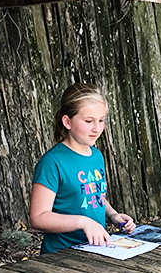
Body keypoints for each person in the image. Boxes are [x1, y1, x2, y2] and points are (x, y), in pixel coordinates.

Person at [30, 83, 135, 253]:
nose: (97, 128)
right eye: (89, 121)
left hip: (96, 250)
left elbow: (93, 196)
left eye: (101, 120)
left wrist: (113, 216)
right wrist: (83, 222)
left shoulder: (96, 156)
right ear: (67, 121)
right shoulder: (52, 162)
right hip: (61, 256)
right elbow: (38, 218)